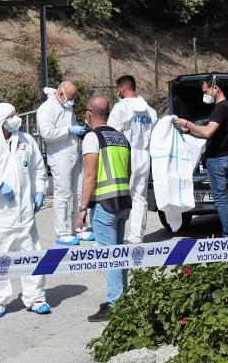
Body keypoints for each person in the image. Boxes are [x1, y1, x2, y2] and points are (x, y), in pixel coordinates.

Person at [0, 102, 51, 319]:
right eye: (13, 115)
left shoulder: (27, 141)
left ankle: (36, 297)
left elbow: (38, 169)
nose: (17, 118)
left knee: (32, 255)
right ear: (2, 120)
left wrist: (40, 191)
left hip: (25, 214)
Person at [76, 97, 131, 322]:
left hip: (105, 204)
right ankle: (123, 297)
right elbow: (128, 171)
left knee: (109, 256)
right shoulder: (121, 137)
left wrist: (82, 208)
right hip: (123, 201)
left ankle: (115, 303)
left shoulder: (92, 137)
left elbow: (90, 174)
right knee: (119, 254)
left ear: (89, 114)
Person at [173, 75, 228, 237]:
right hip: (219, 159)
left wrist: (187, 123)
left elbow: (208, 131)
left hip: (217, 160)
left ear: (216, 88)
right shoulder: (223, 108)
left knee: (220, 200)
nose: (206, 95)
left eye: (207, 91)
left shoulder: (221, 108)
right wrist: (189, 131)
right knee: (223, 199)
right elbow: (206, 135)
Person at [36, 81, 94, 246]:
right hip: (59, 156)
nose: (71, 102)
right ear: (61, 94)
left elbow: (71, 125)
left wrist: (79, 131)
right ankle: (62, 232)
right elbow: (46, 133)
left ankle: (80, 227)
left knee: (80, 191)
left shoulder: (66, 106)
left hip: (74, 153)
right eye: (69, 98)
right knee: (62, 194)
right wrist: (69, 130)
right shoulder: (46, 109)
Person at [107, 75, 158, 244]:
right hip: (144, 157)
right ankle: (136, 237)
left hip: (125, 157)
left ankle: (114, 236)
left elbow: (112, 135)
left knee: (119, 196)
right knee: (139, 198)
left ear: (122, 89)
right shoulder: (151, 112)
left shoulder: (120, 108)